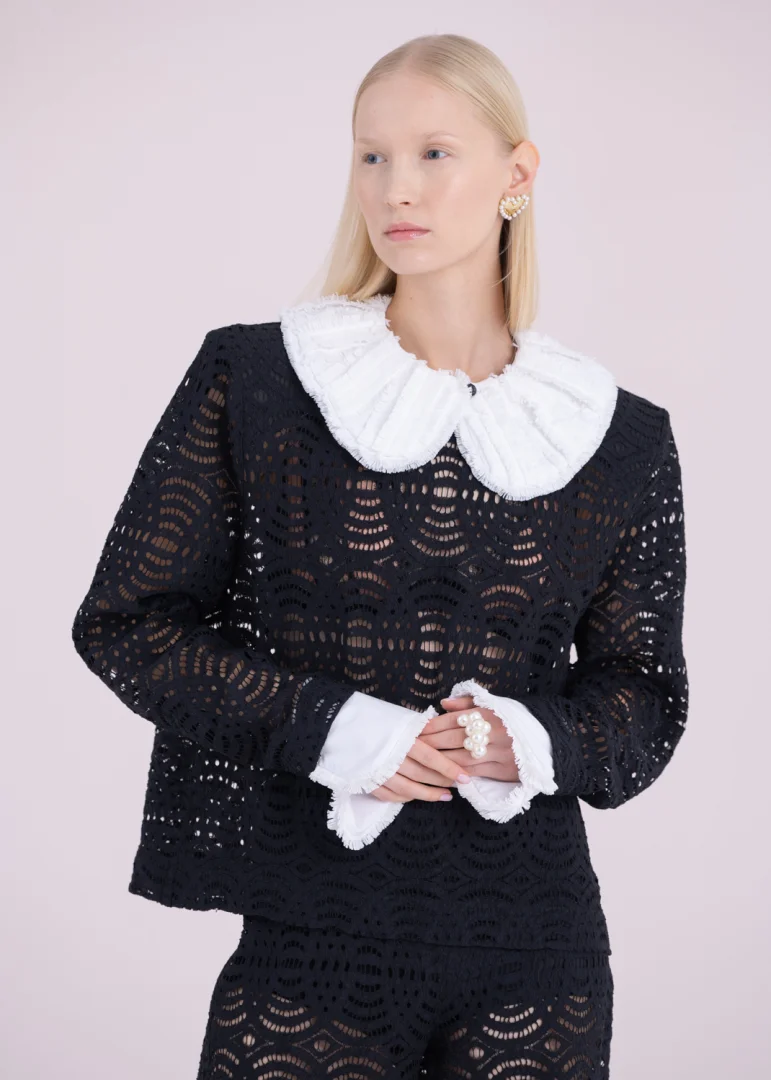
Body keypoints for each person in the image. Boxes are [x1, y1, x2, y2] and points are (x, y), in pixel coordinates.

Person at [71, 33, 689, 1080]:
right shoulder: (258, 381)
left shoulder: (617, 437)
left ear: (518, 174)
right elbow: (129, 625)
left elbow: (643, 698)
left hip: (538, 951)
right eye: (371, 155)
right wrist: (338, 729)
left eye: (434, 153)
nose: (395, 187)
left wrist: (519, 738)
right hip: (313, 936)